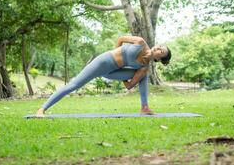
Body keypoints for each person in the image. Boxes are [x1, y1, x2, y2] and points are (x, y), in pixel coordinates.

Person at [36, 35, 171, 116]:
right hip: (103, 62)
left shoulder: (143, 67)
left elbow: (130, 86)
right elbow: (121, 39)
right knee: (74, 85)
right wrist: (115, 51)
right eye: (159, 46)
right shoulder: (140, 42)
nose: (157, 48)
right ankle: (42, 109)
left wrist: (124, 74)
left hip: (112, 72)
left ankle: (144, 107)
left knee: (144, 74)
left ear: (159, 59)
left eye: (161, 51)